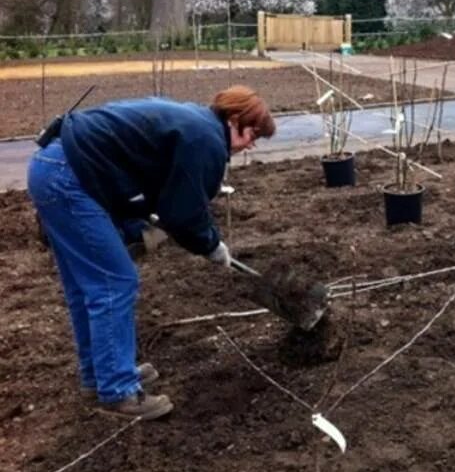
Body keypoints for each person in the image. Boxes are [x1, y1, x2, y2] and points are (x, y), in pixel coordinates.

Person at [28, 86, 275, 419]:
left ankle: (99, 375)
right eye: (253, 135)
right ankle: (117, 390)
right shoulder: (207, 140)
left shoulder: (194, 123)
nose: (251, 145)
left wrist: (139, 230)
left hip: (55, 165)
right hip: (69, 177)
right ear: (235, 119)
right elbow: (185, 214)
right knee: (114, 282)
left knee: (86, 286)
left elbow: (153, 188)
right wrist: (212, 245)